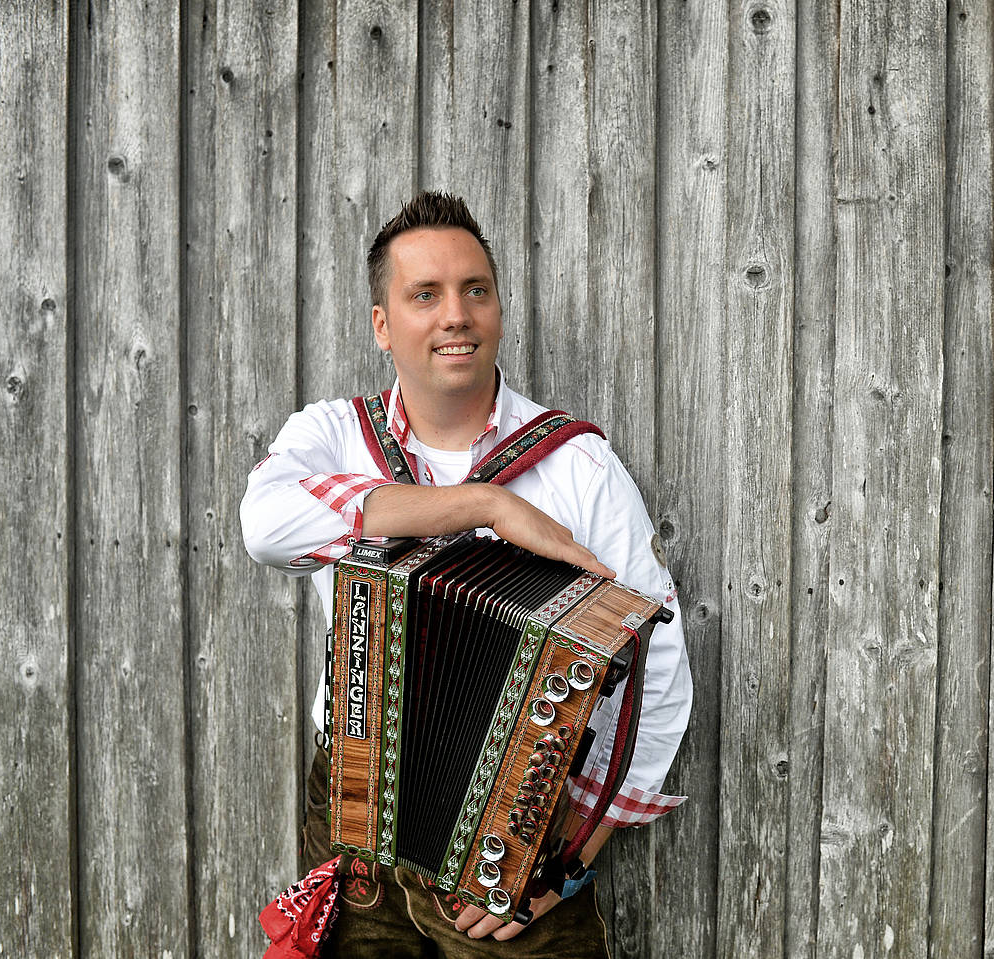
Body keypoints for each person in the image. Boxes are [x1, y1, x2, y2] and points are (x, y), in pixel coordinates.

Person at [241, 191, 693, 957]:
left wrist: (568, 861)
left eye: (474, 290)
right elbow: (266, 527)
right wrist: (479, 504)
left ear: (498, 310)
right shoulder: (329, 435)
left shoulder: (576, 464)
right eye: (425, 294)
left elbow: (659, 667)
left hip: (520, 835)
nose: (456, 314)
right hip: (354, 814)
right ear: (383, 324)